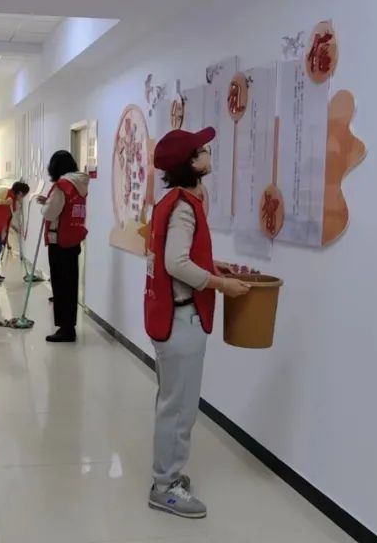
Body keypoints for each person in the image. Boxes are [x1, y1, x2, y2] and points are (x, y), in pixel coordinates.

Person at [143, 127, 252, 519]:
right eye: (202, 150)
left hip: (171, 316)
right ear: (189, 163)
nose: (209, 154)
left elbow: (179, 256)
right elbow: (176, 263)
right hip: (181, 319)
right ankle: (165, 486)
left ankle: (167, 475)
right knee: (179, 408)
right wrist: (221, 284)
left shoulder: (171, 200)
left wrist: (213, 265)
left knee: (173, 402)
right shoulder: (184, 207)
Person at [36, 150, 89, 342]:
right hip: (73, 239)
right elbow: (64, 207)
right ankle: (69, 326)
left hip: (59, 241)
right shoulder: (79, 184)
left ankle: (65, 329)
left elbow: (50, 213)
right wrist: (49, 201)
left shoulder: (62, 185)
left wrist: (45, 206)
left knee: (60, 285)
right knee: (70, 284)